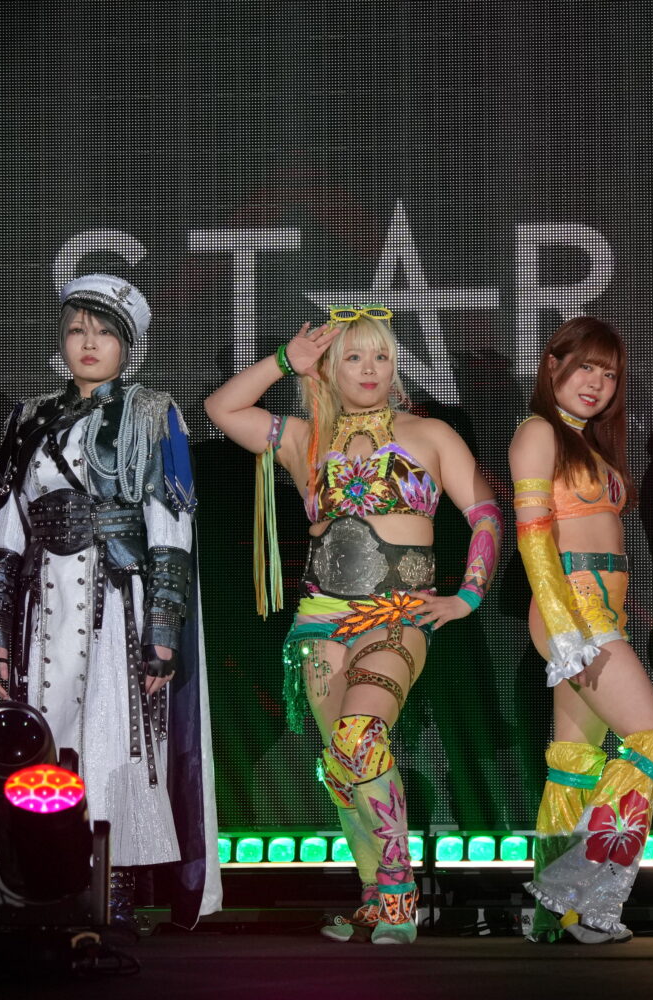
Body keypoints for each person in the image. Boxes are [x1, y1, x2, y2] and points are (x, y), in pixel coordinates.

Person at [204, 306, 500, 945]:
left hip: (395, 615)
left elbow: (484, 513)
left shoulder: (430, 434)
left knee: (360, 738)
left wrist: (468, 596)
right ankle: (371, 896)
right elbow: (221, 408)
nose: (370, 370)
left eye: (382, 357)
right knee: (343, 764)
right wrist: (285, 362)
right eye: (354, 357)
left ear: (396, 368)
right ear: (330, 369)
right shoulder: (304, 439)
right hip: (319, 622)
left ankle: (398, 894)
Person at [0, 274, 221, 928]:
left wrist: (162, 630)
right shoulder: (27, 417)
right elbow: (7, 529)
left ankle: (113, 881)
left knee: (117, 739)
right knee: (47, 736)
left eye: (104, 332)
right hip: (44, 605)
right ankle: (47, 877)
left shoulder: (153, 412)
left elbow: (170, 526)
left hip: (118, 600)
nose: (88, 343)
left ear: (127, 344)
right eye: (77, 331)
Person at [511, 316, 653, 945]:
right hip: (574, 610)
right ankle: (574, 887)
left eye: (609, 374)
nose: (597, 383)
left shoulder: (587, 443)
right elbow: (534, 537)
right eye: (585, 366)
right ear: (553, 365)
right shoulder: (538, 431)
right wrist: (564, 630)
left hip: (601, 612)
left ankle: (556, 916)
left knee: (574, 764)